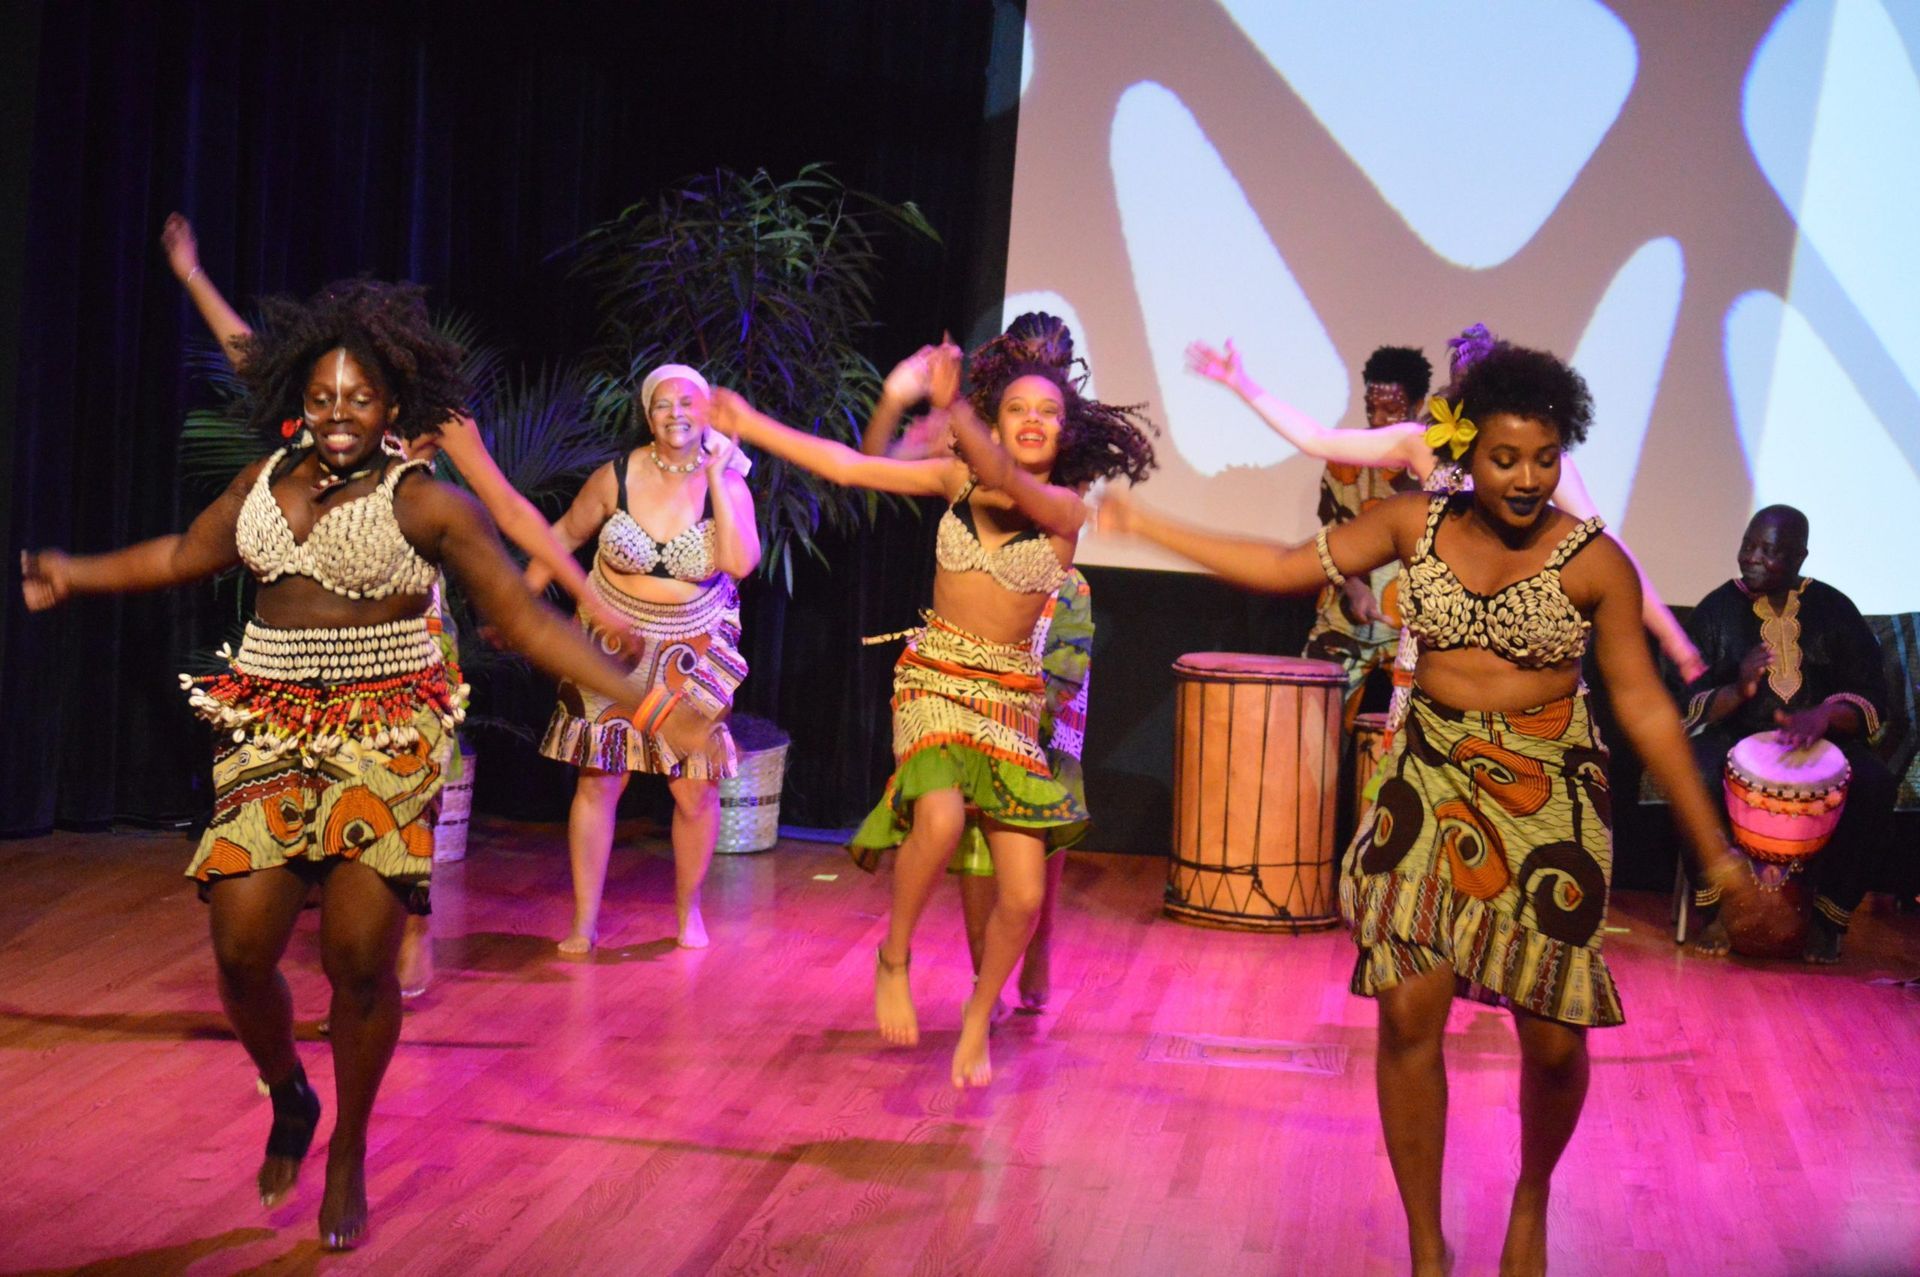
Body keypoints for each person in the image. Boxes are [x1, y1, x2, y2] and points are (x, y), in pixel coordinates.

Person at [20, 280, 654, 1250]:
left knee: (360, 958)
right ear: (298, 403)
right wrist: (76, 570)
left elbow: (522, 620)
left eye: (358, 399)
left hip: (387, 731)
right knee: (240, 951)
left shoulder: (428, 502)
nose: (339, 416)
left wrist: (641, 694)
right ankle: (289, 1089)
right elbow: (184, 555)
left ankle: (351, 1146)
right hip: (270, 727)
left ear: (393, 405)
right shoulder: (264, 484)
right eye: (323, 400)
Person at [1100, 340, 1757, 1276]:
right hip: (1424, 774)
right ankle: (1425, 1245)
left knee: (1556, 1039)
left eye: (1544, 457)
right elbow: (1290, 565)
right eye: (1504, 457)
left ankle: (1531, 1196)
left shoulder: (1595, 563)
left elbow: (1646, 711)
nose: (1526, 477)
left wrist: (1722, 861)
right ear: (1467, 450)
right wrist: (1154, 527)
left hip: (1548, 795)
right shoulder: (1415, 522)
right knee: (1410, 1008)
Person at [161, 213, 632, 994]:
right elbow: (252, 353)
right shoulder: (322, 410)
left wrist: (586, 594)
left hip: (406, 633)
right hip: (306, 639)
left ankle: (405, 929)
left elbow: (512, 511)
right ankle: (339, 958)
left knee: (404, 786)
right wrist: (191, 274)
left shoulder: (434, 423)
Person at [712, 339, 1155, 1088]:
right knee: (941, 819)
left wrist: (953, 406)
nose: (1033, 419)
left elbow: (1014, 481)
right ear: (998, 418)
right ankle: (895, 954)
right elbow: (852, 466)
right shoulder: (954, 477)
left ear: (1068, 430)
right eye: (1016, 408)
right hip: (935, 680)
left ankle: (979, 1016)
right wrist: (753, 423)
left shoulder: (1064, 512)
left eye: (1048, 410)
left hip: (1010, 703)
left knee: (1022, 892)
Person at [1187, 328, 1707, 682]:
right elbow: (1319, 439)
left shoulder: (1544, 464)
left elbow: (1605, 547)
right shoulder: (1422, 444)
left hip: (1514, 638)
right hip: (1437, 635)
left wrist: (1675, 641)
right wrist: (1242, 384)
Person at [861, 315, 1095, 1015]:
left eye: (1052, 362)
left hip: (1058, 613)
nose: (1038, 372)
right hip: (973, 629)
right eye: (1025, 360)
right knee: (967, 802)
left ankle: (1035, 956)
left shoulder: (1061, 434)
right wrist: (895, 396)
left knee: (1044, 794)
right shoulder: (958, 437)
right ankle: (978, 977)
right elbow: (874, 459)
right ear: (998, 370)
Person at [531, 364, 760, 953]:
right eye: (663, 404)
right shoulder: (617, 475)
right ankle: (584, 922)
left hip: (695, 647)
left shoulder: (729, 482)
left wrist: (715, 477)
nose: (676, 413)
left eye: (689, 402)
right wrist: (520, 599)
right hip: (611, 646)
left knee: (693, 790)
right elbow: (561, 535)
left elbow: (739, 563)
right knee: (599, 777)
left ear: (706, 411)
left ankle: (689, 913)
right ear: (647, 413)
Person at [1678, 505, 1896, 962]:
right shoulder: (1716, 610)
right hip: (1734, 736)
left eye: (1770, 551)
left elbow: (1872, 698)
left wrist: (1825, 715)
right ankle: (1715, 910)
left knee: (1875, 784)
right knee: (1694, 776)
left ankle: (1827, 920)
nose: (1754, 557)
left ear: (1800, 557)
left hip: (1825, 743)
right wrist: (1739, 690)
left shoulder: (1834, 609)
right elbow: (1688, 701)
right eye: (1748, 546)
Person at [1301, 345, 1431, 714]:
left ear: (1418, 404)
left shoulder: (1434, 466)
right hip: (1345, 623)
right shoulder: (1346, 459)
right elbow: (1332, 538)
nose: (1378, 419)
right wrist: (1355, 588)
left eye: (1391, 410)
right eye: (1371, 408)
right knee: (1304, 726)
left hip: (1416, 634)